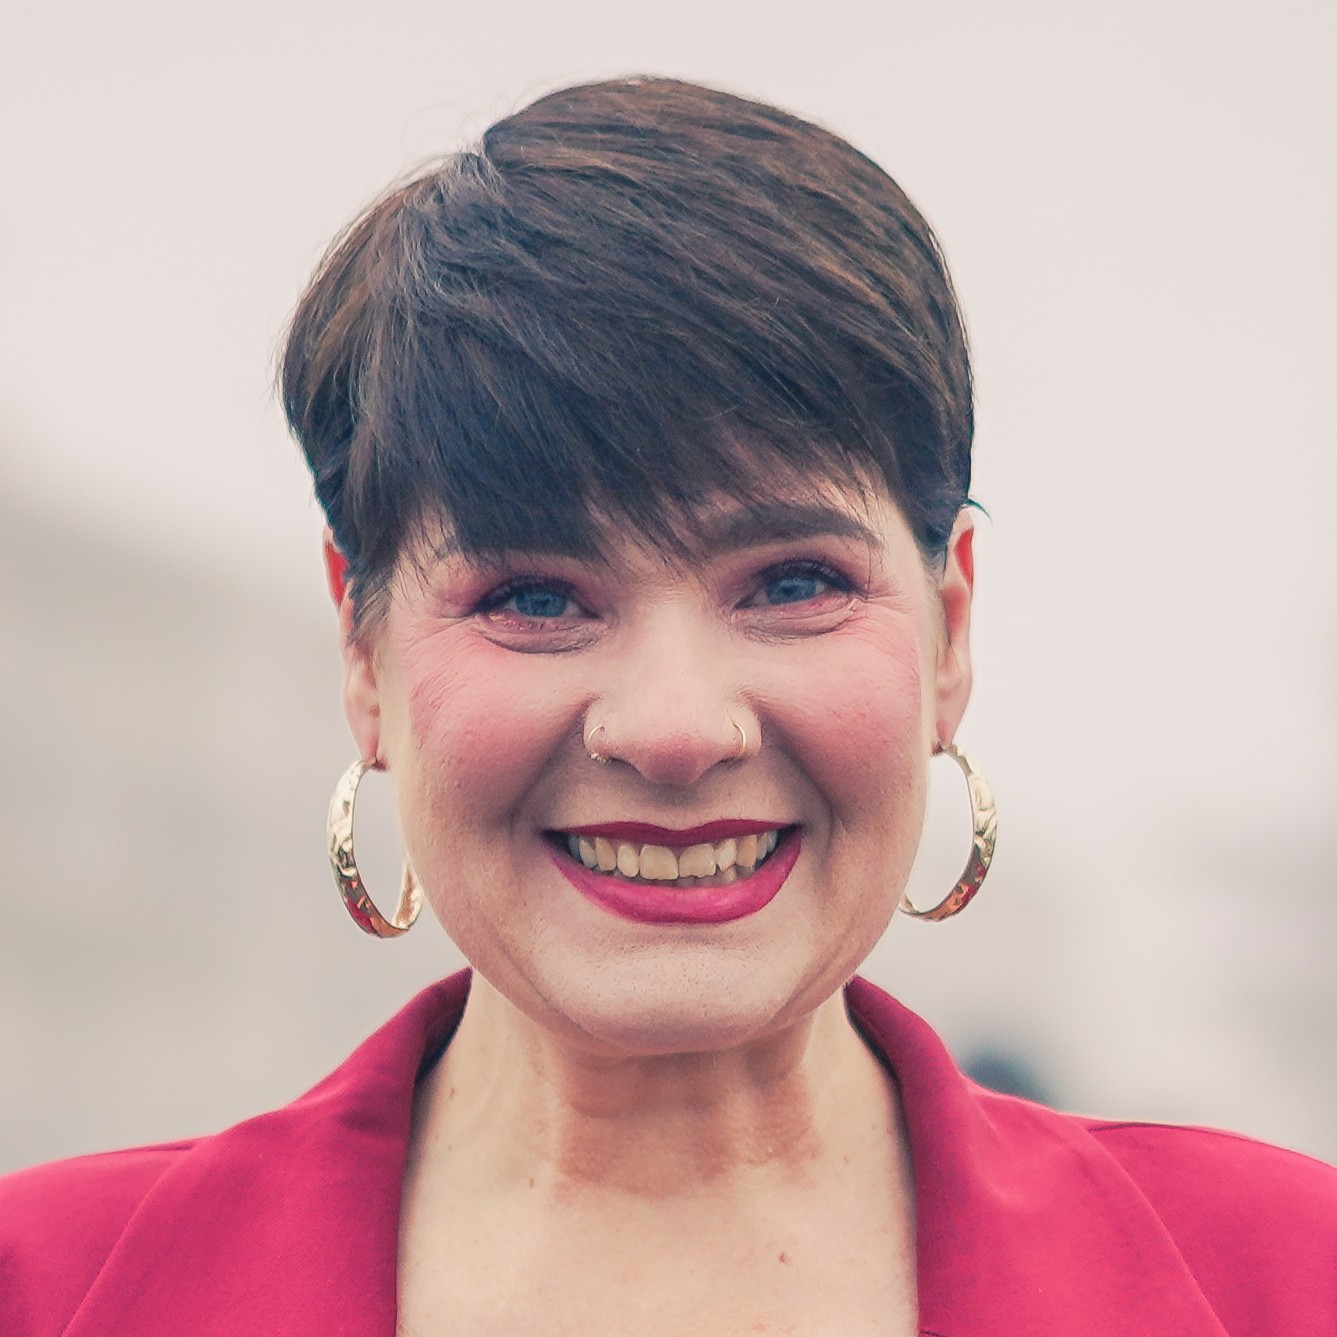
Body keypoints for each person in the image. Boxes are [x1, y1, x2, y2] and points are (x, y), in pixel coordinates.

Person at [1, 76, 1333, 1337]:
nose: (676, 728)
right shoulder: (43, 1288)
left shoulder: (1287, 1277)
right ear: (363, 653)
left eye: (794, 583)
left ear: (950, 636)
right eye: (536, 597)